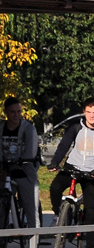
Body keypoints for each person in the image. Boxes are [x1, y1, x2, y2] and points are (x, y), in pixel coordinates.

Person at [48, 97, 94, 248]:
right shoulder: (76, 127)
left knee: (91, 213)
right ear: (84, 112)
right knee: (55, 188)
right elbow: (64, 145)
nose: (92, 116)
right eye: (88, 112)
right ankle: (59, 215)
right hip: (73, 167)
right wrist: (55, 162)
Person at [1, 97, 41, 233]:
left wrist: (24, 160)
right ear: (5, 112)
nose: (16, 115)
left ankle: (33, 244)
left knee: (31, 206)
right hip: (5, 169)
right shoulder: (1, 128)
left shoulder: (28, 129)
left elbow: (31, 150)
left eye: (19, 111)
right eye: (12, 112)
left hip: (24, 168)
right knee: (3, 200)